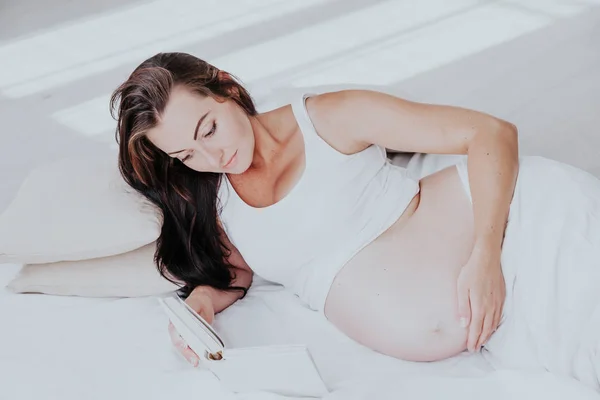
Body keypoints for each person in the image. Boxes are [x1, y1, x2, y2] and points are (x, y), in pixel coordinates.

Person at [110, 52, 600, 391]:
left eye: (209, 129)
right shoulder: (211, 195)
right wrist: (202, 303)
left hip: (518, 228)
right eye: (185, 153)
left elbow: (489, 131)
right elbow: (238, 273)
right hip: (488, 314)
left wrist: (486, 257)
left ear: (228, 87)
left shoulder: (328, 119)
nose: (211, 155)